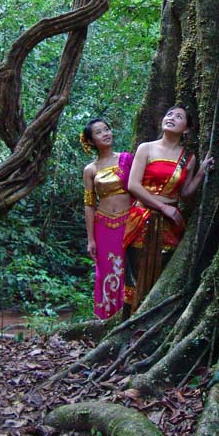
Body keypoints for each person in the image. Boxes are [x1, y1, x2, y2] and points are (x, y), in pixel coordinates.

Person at [123, 105, 214, 312]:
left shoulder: (188, 158)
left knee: (163, 274)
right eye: (169, 114)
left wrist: (200, 173)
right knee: (135, 278)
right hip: (141, 220)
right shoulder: (146, 148)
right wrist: (163, 207)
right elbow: (133, 185)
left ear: (186, 129)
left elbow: (185, 193)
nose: (171, 117)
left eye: (179, 116)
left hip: (169, 226)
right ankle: (129, 325)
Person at [81, 118, 133, 320]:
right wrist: (90, 239)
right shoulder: (90, 170)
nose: (105, 133)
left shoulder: (127, 159)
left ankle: (129, 315)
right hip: (103, 226)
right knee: (106, 272)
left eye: (107, 129)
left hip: (129, 223)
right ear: (91, 141)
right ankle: (107, 319)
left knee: (128, 270)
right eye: (99, 132)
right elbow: (89, 204)